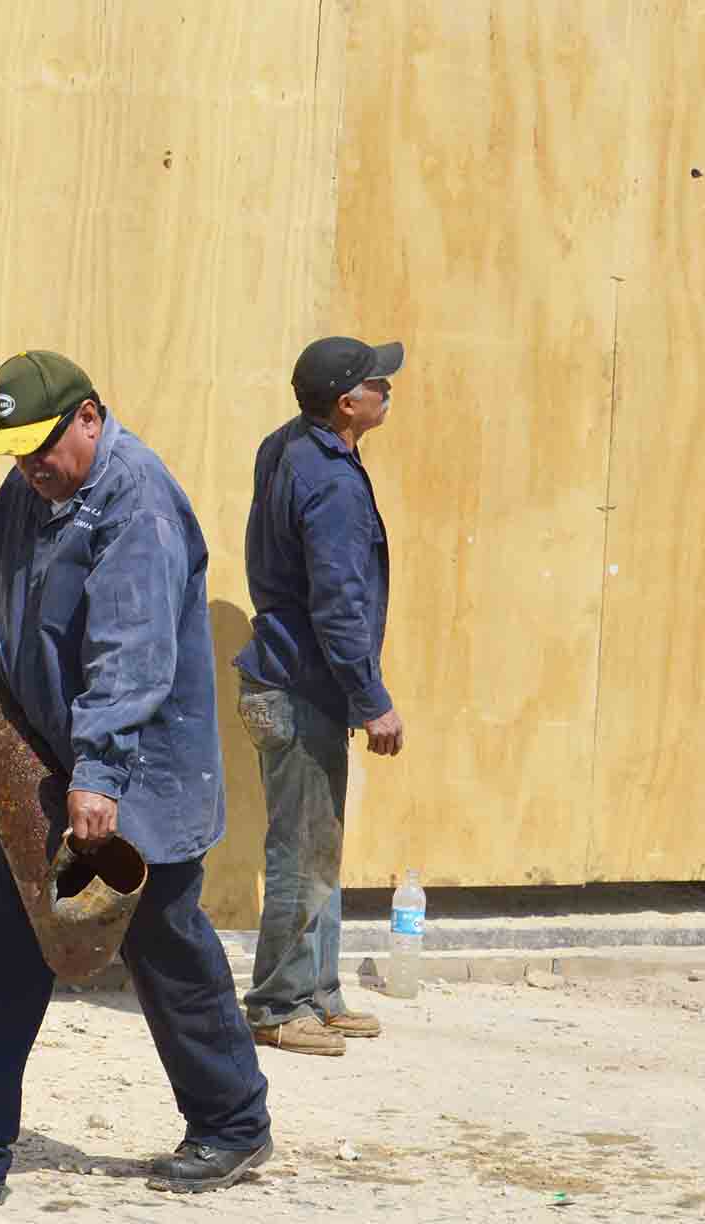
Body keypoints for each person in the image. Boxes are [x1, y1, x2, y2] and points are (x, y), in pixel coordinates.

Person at [0, 350, 272, 1208]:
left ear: (90, 415)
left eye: (43, 446)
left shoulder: (137, 502)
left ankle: (233, 1122)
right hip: (53, 768)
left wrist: (100, 775)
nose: (31, 466)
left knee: (166, 945)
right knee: (7, 944)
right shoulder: (23, 496)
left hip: (136, 774)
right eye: (15, 451)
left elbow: (132, 654)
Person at [233, 336, 406, 1057]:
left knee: (318, 843)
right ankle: (277, 1005)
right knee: (301, 850)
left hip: (289, 677)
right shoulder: (331, 482)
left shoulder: (290, 446)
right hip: (301, 684)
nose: (387, 390)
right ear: (345, 404)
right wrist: (371, 697)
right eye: (377, 383)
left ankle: (318, 993)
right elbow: (339, 604)